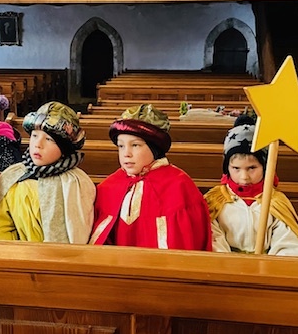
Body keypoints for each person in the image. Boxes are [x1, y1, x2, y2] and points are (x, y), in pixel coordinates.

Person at [89, 104, 212, 250]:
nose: (126, 153)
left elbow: (188, 241)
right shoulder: (108, 186)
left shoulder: (179, 185)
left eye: (135, 145)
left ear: (155, 147)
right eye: (121, 146)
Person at [0, 101, 95, 243]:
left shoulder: (76, 183)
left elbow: (80, 233)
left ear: (64, 149)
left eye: (49, 139)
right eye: (35, 136)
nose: (38, 144)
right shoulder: (13, 177)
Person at [204, 115, 298, 256]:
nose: (244, 176)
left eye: (252, 168)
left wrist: (269, 265)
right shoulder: (216, 201)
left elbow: (289, 242)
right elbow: (212, 239)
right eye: (236, 168)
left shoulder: (274, 201)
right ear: (227, 168)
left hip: (267, 265)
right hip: (227, 264)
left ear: (265, 167)